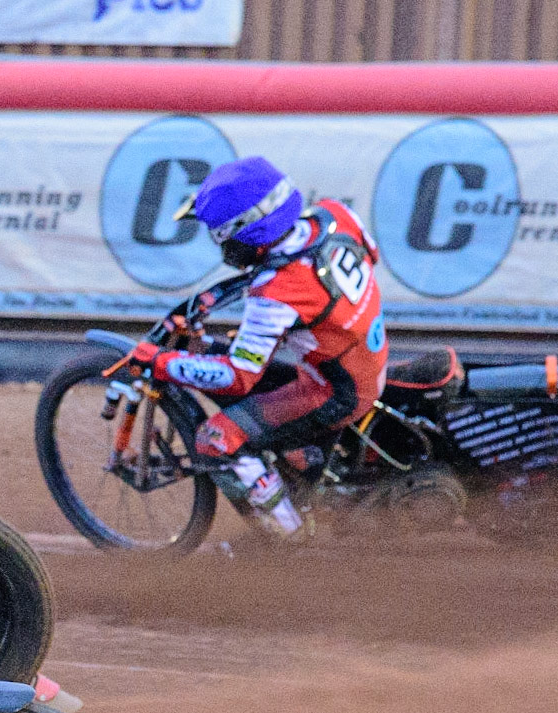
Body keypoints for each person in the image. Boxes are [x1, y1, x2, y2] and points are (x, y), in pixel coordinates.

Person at [132, 156, 389, 539]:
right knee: (230, 354)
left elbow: (238, 378)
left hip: (335, 390)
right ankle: (293, 460)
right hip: (362, 358)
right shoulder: (334, 215)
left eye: (219, 234)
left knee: (215, 439)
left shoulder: (275, 292)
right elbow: (371, 256)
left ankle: (289, 539)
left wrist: (161, 362)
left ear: (242, 231)